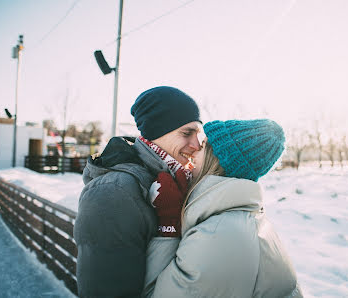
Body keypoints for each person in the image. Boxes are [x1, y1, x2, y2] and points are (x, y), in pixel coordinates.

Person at [144, 119, 303, 298]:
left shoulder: (218, 235)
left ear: (218, 159)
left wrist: (168, 222)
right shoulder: (239, 220)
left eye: (203, 145)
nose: (194, 149)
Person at [74, 86, 203, 297]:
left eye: (198, 134)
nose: (196, 145)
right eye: (187, 133)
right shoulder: (113, 193)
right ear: (157, 132)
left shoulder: (179, 180)